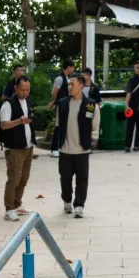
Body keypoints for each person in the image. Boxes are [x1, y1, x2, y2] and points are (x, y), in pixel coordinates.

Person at [55, 74, 100, 218]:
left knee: (82, 179)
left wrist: (92, 141)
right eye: (68, 84)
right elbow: (57, 125)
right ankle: (67, 201)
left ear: (81, 86)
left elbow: (95, 126)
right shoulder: (62, 103)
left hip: (82, 150)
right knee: (65, 178)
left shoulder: (90, 104)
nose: (69, 87)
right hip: (65, 150)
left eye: (72, 84)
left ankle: (79, 205)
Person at [0, 75, 36, 221]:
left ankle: (17, 204)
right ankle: (9, 209)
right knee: (13, 178)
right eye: (22, 90)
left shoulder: (28, 102)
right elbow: (4, 125)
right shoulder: (8, 104)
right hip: (14, 148)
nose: (25, 93)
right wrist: (19, 121)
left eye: (27, 90)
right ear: (15, 88)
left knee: (23, 178)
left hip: (28, 146)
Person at [47, 60, 75, 157]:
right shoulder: (60, 78)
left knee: (63, 127)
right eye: (73, 67)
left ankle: (59, 147)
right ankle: (54, 149)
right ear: (68, 67)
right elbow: (54, 92)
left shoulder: (67, 78)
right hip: (60, 106)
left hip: (65, 106)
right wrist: (54, 102)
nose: (73, 69)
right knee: (58, 127)